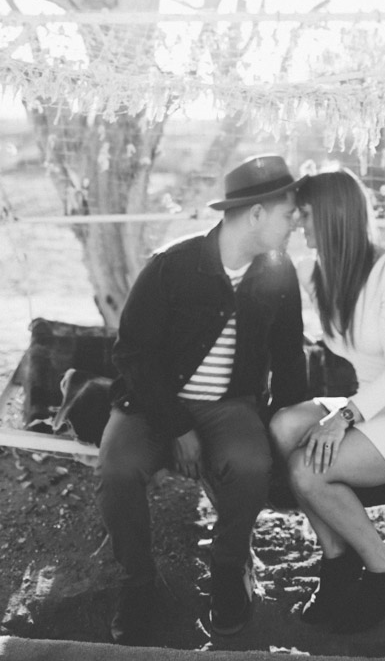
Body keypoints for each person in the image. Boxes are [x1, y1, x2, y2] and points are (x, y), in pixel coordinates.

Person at [98, 154, 308, 646]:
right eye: (287, 214)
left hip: (230, 407)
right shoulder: (172, 264)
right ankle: (138, 584)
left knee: (254, 464)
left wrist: (289, 428)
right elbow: (133, 353)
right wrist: (177, 426)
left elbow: (289, 356)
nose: (295, 224)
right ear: (255, 214)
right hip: (152, 404)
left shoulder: (279, 272)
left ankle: (228, 570)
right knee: (117, 467)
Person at [269, 167, 385, 634]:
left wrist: (343, 418)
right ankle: (337, 562)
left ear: (334, 215)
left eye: (307, 214)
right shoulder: (315, 274)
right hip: (373, 403)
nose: (299, 224)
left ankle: (384, 572)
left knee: (304, 468)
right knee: (282, 428)